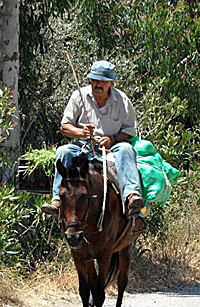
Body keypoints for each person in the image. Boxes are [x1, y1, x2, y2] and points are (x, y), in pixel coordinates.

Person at [42, 60, 144, 217]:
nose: (98, 84)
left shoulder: (123, 101)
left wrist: (112, 138)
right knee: (63, 151)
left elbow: (129, 130)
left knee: (127, 149)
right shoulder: (78, 96)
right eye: (95, 79)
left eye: (102, 81)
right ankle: (57, 200)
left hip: (112, 147)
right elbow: (65, 126)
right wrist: (81, 132)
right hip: (84, 146)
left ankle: (132, 197)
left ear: (111, 82)